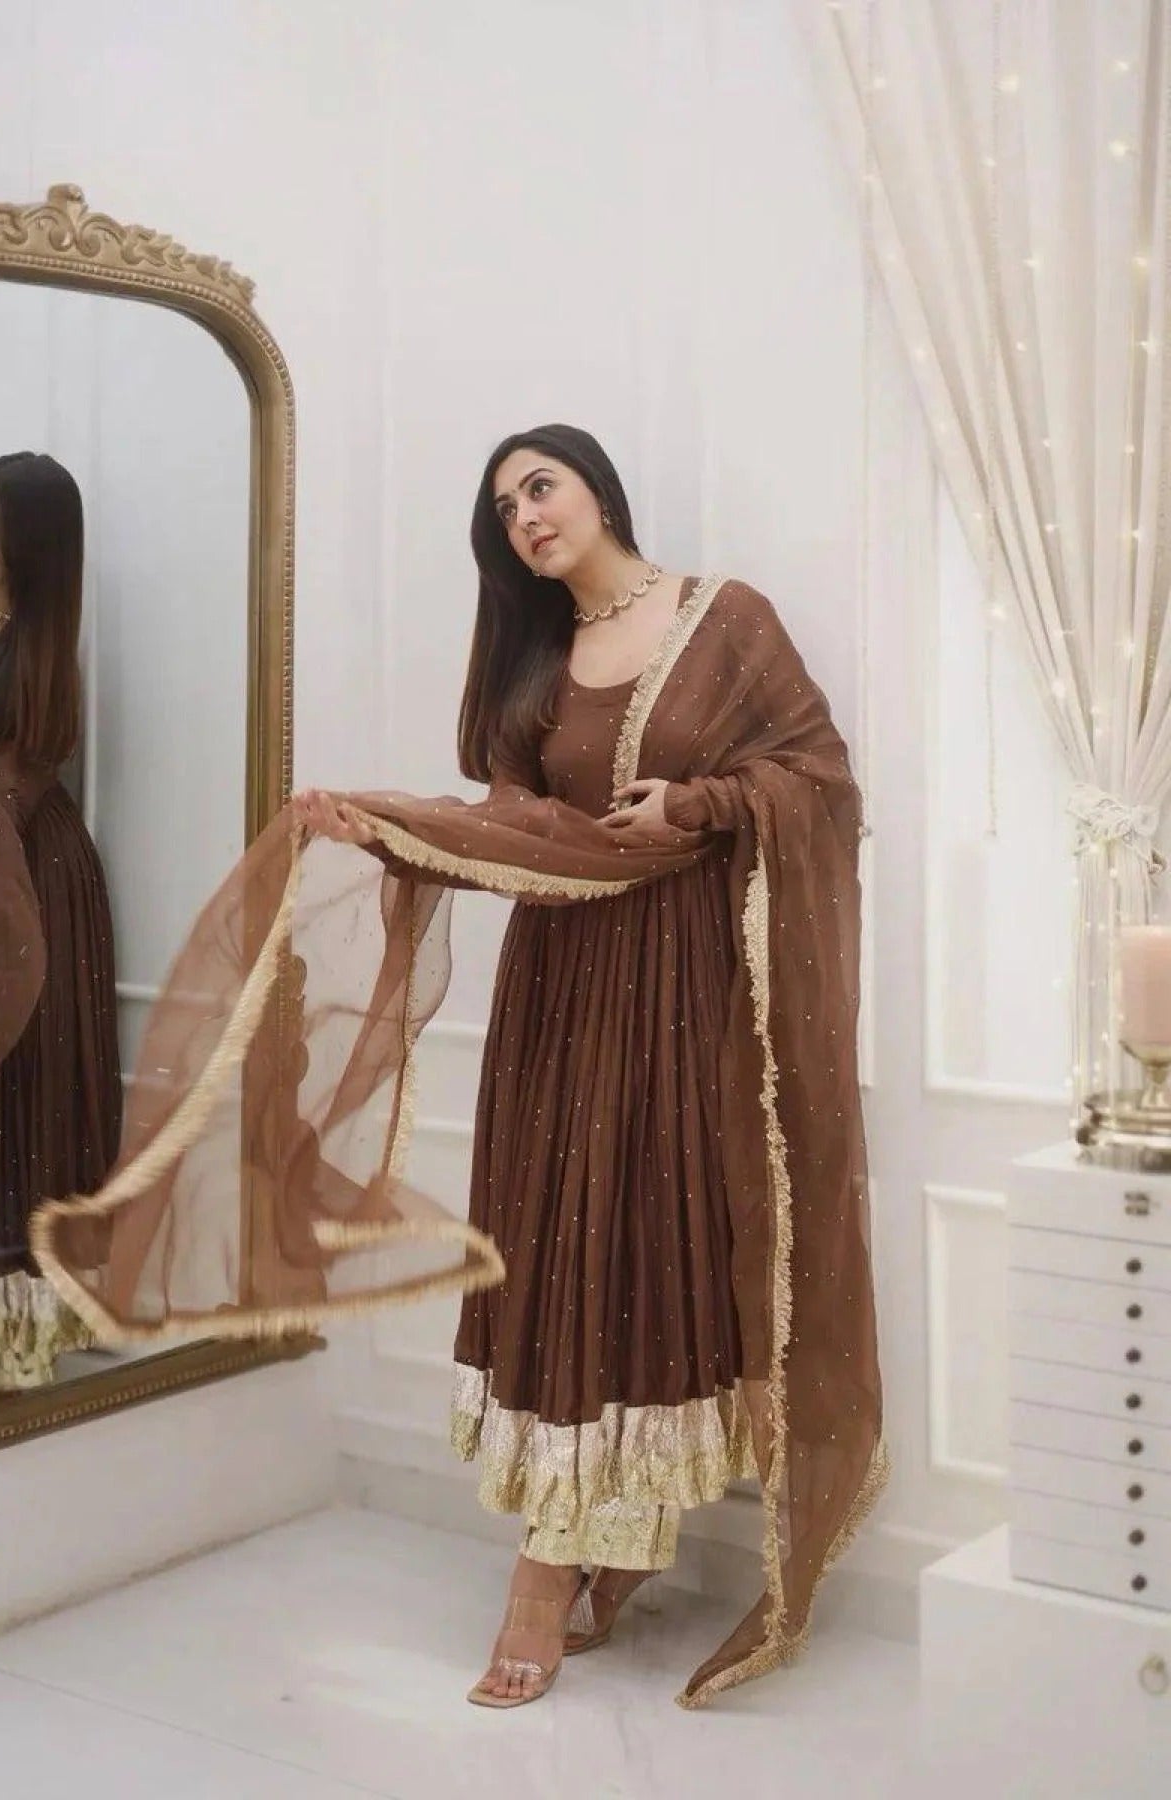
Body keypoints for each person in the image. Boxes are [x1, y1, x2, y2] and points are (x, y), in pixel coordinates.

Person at [293, 424, 886, 1709]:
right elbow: (512, 822)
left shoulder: (722, 617)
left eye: (540, 485)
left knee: (648, 1251)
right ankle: (571, 1552)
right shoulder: (528, 658)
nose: (524, 515)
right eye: (502, 506)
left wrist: (700, 805)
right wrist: (387, 824)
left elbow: (818, 780)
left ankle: (569, 1564)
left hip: (685, 994)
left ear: (599, 488)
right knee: (563, 1250)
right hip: (561, 994)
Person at [0, 451, 122, 1390]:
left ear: (29, 543)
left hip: (18, 879)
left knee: (7, 1083)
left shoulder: (37, 648)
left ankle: (5, 1334)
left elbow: (12, 794)